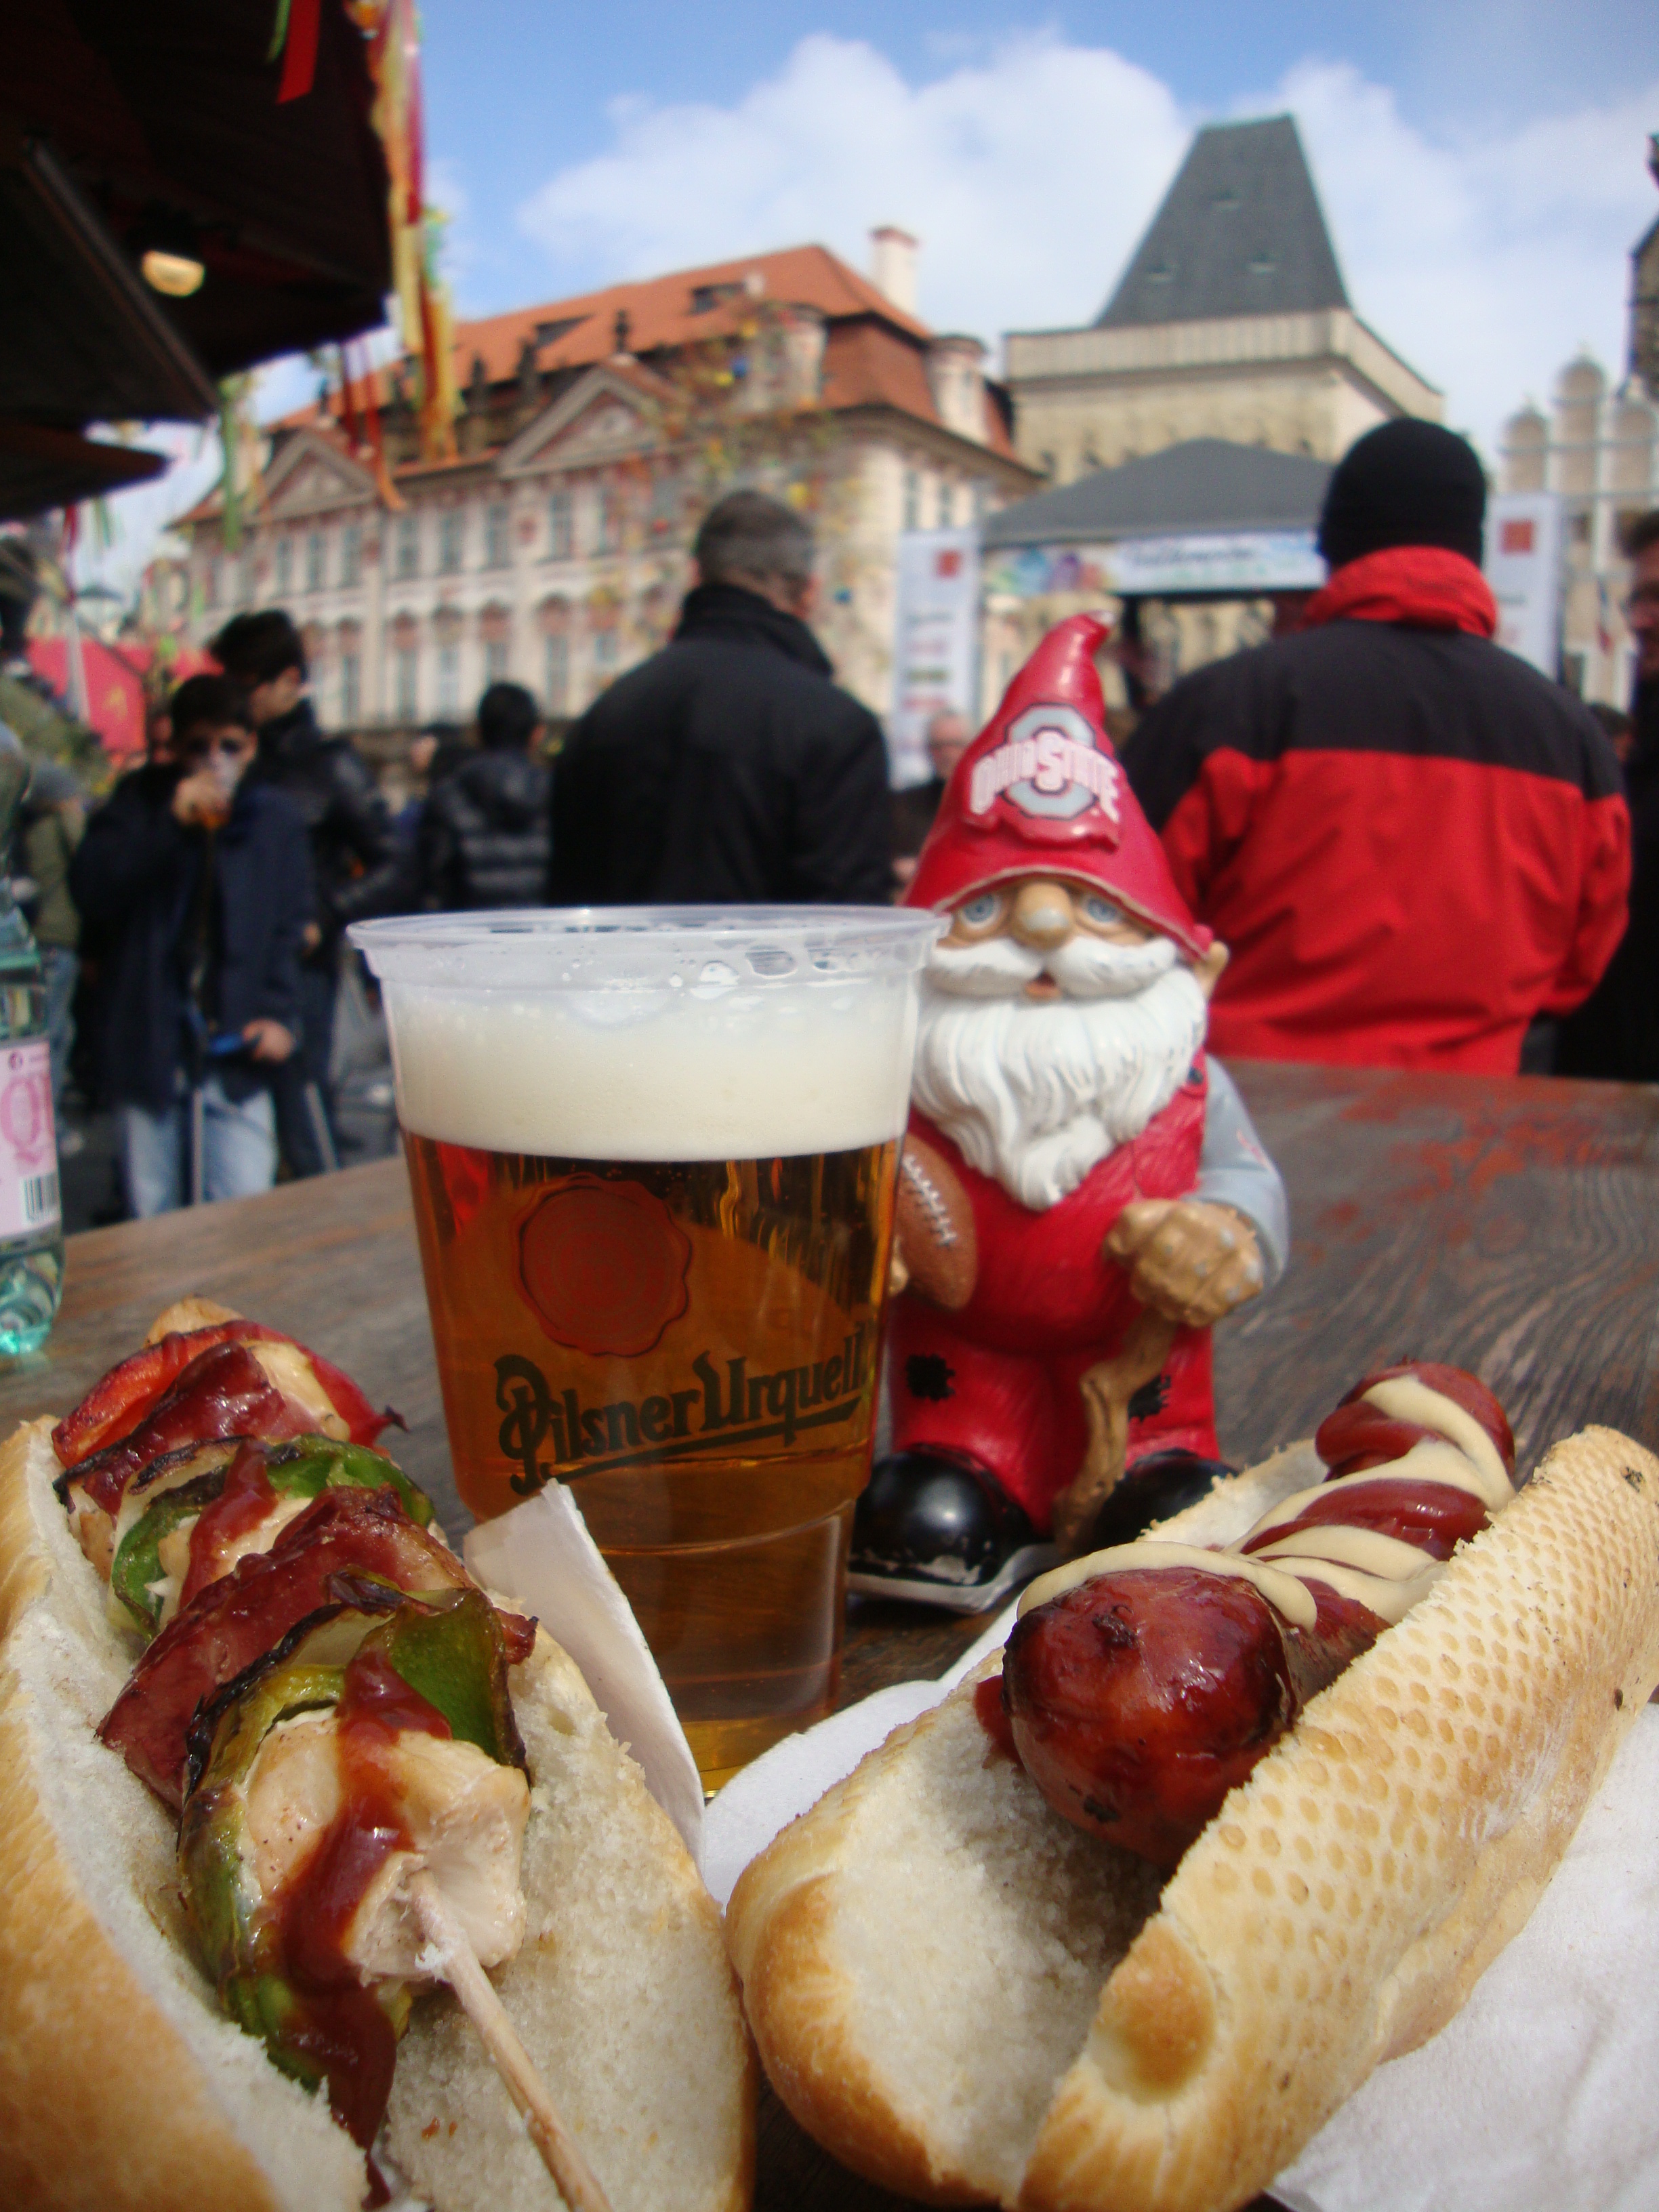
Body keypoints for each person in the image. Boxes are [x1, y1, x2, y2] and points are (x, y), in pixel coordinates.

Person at [851, 615, 1288, 1609]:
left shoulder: (1187, 1079)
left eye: (1098, 908)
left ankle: (1156, 1473)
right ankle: (966, 1474)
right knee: (931, 1498)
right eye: (984, 909)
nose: (1044, 931)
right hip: (959, 1364)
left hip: (1143, 1365)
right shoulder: (904, 1078)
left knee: (1168, 1502)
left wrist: (1230, 1230)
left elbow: (1247, 1178)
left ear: (1186, 956)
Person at [1124, 419, 1631, 1072]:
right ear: (1473, 549)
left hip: (1243, 1107)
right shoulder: (1573, 742)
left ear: (1334, 545)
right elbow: (1580, 966)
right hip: (1470, 1115)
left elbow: (1115, 915)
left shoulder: (1228, 706)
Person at [548, 489, 892, 903]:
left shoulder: (605, 715)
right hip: (774, 947)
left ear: (696, 576)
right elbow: (850, 917)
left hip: (624, 947)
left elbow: (567, 902)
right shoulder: (836, 725)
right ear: (808, 592)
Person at [68, 675, 310, 1217]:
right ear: (176, 748)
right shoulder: (140, 802)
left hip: (238, 1040)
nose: (214, 760)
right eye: (199, 746)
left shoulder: (273, 816)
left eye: (230, 746)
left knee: (242, 1201)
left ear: (251, 746)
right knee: (152, 1207)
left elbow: (288, 925)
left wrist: (279, 1014)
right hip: (153, 1035)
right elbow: (93, 889)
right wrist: (168, 825)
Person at [209, 610, 404, 1172]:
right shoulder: (230, 759)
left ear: (289, 681)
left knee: (304, 1117)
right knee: (233, 1127)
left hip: (301, 972)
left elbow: (394, 861)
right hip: (234, 967)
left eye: (247, 683)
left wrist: (323, 914)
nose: (237, 695)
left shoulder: (330, 763)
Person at [1555, 511, 1659, 1080]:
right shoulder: (1634, 763)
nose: (1640, 621)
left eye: (1658, 599)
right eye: (1638, 599)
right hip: (1608, 1098)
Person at [416, 684, 550, 909]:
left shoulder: (448, 796)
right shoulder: (558, 793)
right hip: (542, 926)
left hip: (468, 926)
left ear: (477, 732)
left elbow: (431, 880)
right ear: (537, 734)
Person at [17, 758, 84, 1122]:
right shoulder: (63, 825)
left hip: (36, 940)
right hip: (58, 939)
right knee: (52, 1035)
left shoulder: (25, 829)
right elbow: (90, 863)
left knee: (40, 1034)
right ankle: (46, 1125)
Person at [891, 710, 970, 886]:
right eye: (938, 746)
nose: (946, 753)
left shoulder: (986, 806)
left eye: (954, 744)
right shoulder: (903, 805)